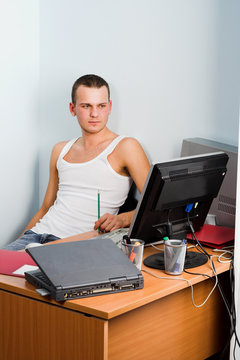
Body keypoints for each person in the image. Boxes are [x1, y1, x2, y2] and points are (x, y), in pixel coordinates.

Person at [4, 74, 150, 251]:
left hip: (74, 244)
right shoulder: (60, 149)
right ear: (72, 109)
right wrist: (14, 249)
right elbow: (45, 208)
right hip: (36, 235)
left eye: (101, 106)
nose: (94, 113)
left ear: (109, 107)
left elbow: (154, 208)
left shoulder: (126, 147)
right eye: (86, 106)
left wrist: (121, 219)